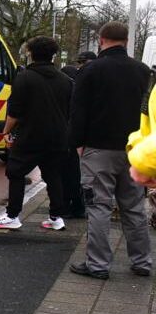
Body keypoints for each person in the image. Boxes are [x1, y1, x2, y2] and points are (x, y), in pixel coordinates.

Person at [69, 21, 152, 279]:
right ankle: (142, 262)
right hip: (133, 150)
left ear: (101, 40)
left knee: (98, 206)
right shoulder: (143, 72)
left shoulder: (91, 71)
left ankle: (98, 265)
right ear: (126, 41)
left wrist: (78, 144)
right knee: (134, 207)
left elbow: (78, 110)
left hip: (98, 148)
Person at [0, 36, 73, 231]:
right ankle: (56, 217)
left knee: (15, 172)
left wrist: (6, 131)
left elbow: (15, 111)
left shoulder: (25, 77)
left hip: (31, 135)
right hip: (58, 136)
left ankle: (12, 216)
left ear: (31, 53)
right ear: (53, 55)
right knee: (53, 175)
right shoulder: (65, 80)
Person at [60, 51, 97, 219]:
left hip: (76, 137)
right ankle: (78, 206)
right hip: (83, 137)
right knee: (79, 175)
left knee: (71, 174)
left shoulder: (76, 85)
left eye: (83, 62)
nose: (81, 65)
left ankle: (71, 206)